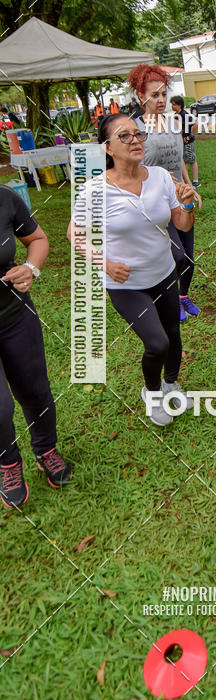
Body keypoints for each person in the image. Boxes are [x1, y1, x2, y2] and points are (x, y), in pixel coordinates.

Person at [69, 114, 197, 427]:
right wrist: (105, 263)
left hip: (164, 273)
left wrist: (188, 205)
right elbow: (75, 233)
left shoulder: (160, 177)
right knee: (157, 343)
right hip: (126, 284)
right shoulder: (95, 190)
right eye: (124, 136)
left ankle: (170, 383)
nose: (136, 140)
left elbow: (181, 223)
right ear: (108, 148)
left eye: (138, 134)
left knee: (173, 334)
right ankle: (152, 393)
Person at [1, 185, 72, 508]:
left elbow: (38, 240)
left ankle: (46, 449)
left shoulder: (5, 198)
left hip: (16, 315)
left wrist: (31, 268)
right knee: (0, 409)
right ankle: (8, 463)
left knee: (35, 390)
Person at [128, 65, 201, 323]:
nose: (160, 100)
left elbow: (180, 159)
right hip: (156, 201)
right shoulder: (135, 129)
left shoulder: (173, 122)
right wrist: (164, 180)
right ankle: (169, 301)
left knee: (189, 258)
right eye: (154, 95)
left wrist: (190, 187)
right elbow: (134, 167)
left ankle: (183, 296)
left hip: (181, 197)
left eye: (163, 94)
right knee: (176, 255)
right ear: (140, 96)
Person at [172, 95, 200, 188]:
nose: (172, 106)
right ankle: (186, 180)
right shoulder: (176, 115)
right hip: (181, 142)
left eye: (174, 104)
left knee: (191, 160)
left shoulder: (184, 114)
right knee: (183, 161)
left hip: (188, 142)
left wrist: (192, 135)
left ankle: (196, 182)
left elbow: (195, 124)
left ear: (180, 105)